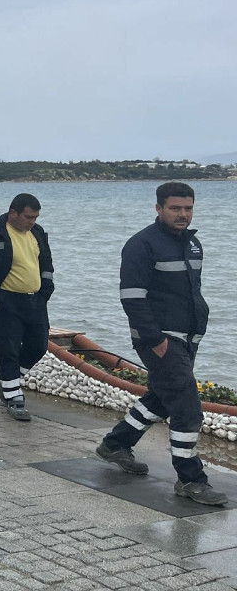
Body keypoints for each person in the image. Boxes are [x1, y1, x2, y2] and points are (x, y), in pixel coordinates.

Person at [95, 183, 226, 506]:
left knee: (161, 398)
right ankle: (190, 479)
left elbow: (191, 292)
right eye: (175, 208)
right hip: (158, 340)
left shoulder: (192, 244)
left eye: (188, 208)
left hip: (188, 337)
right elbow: (132, 298)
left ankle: (115, 444)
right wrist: (155, 340)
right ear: (159, 208)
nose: (183, 214)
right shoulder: (141, 245)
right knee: (187, 407)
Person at [0, 193, 55, 422]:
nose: (32, 222)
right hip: (7, 302)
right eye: (29, 217)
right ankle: (15, 399)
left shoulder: (38, 233)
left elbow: (46, 264)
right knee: (9, 349)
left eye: (36, 217)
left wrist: (46, 291)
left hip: (36, 300)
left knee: (39, 346)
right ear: (13, 213)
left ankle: (6, 377)